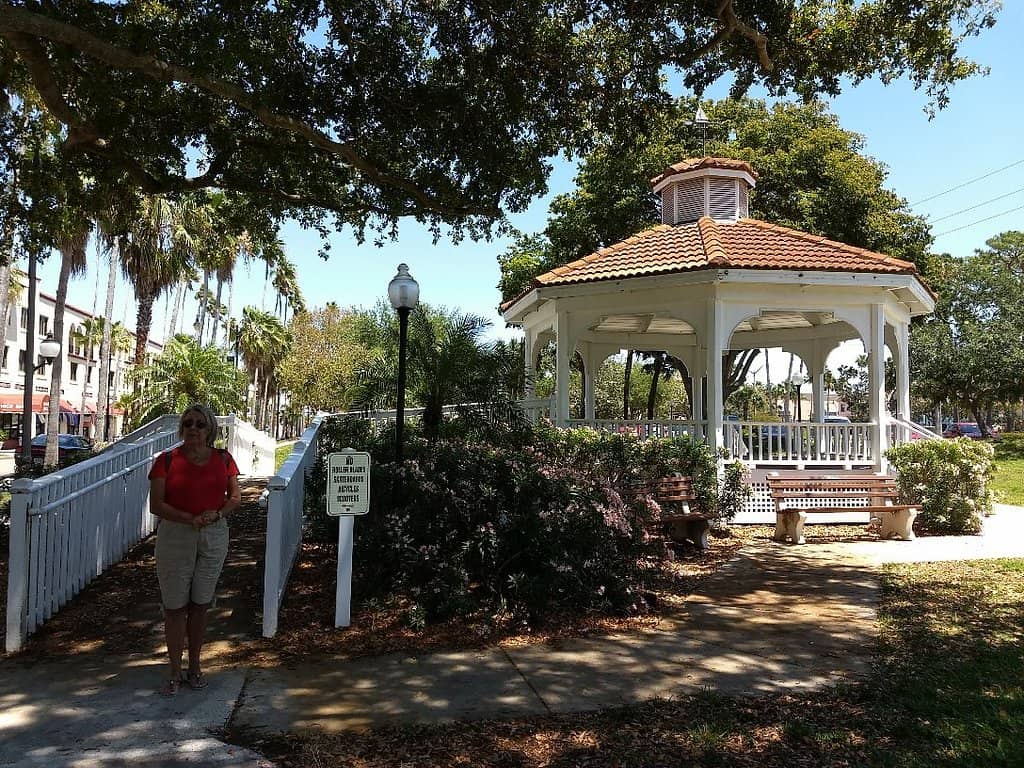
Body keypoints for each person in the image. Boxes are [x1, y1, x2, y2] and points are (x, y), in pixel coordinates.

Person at [148, 404, 241, 695]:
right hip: (176, 536)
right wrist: (190, 519)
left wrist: (218, 514)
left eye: (200, 424)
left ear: (210, 429)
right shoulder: (166, 461)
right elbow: (157, 504)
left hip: (213, 535)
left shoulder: (224, 459)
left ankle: (195, 667)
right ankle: (175, 672)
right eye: (188, 423)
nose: (193, 428)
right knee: (175, 607)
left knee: (200, 605)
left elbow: (234, 496)